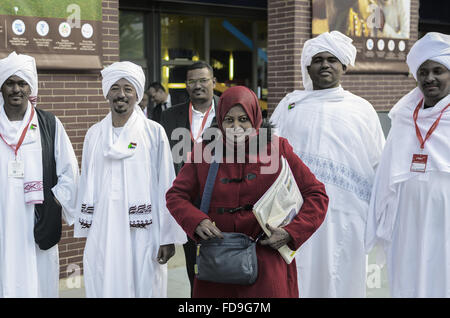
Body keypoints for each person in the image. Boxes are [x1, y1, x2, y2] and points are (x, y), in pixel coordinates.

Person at [166, 85, 329, 297]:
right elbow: (175, 196)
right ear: (221, 120)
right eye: (229, 120)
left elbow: (317, 194)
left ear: (255, 118)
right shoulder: (205, 151)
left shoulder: (278, 148)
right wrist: (196, 221)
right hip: (218, 266)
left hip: (267, 265)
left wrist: (292, 232)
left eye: (243, 119)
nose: (236, 127)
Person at [270, 31, 385, 297]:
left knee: (342, 277)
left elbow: (379, 165)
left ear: (343, 65)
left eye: (332, 59)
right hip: (296, 215)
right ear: (307, 67)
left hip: (348, 215)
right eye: (318, 59)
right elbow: (268, 156)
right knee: (300, 278)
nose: (324, 65)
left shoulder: (362, 109)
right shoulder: (290, 105)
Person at [74, 61, 186, 298]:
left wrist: (167, 237)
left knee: (144, 284)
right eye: (115, 88)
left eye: (128, 88)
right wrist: (84, 225)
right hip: (103, 228)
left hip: (144, 231)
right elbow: (86, 182)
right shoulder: (94, 134)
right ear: (107, 93)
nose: (121, 94)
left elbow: (166, 184)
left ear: (137, 93)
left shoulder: (153, 132)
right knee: (104, 280)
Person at [366, 32, 450, 297]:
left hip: (444, 220)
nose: (430, 78)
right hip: (405, 220)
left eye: (438, 70)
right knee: (406, 279)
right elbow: (386, 174)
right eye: (423, 71)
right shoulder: (403, 117)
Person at [0, 52, 79, 297]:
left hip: (37, 222)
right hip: (3, 221)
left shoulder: (49, 123)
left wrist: (53, 207)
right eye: (10, 83)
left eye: (22, 83)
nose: (16, 89)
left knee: (40, 281)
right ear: (1, 87)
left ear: (30, 87)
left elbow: (70, 173)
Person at [160, 60, 220, 295]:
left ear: (213, 82)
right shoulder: (169, 117)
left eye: (203, 80)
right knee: (194, 270)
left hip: (221, 202)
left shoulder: (229, 112)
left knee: (225, 268)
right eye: (192, 81)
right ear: (185, 85)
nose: (198, 85)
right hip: (186, 206)